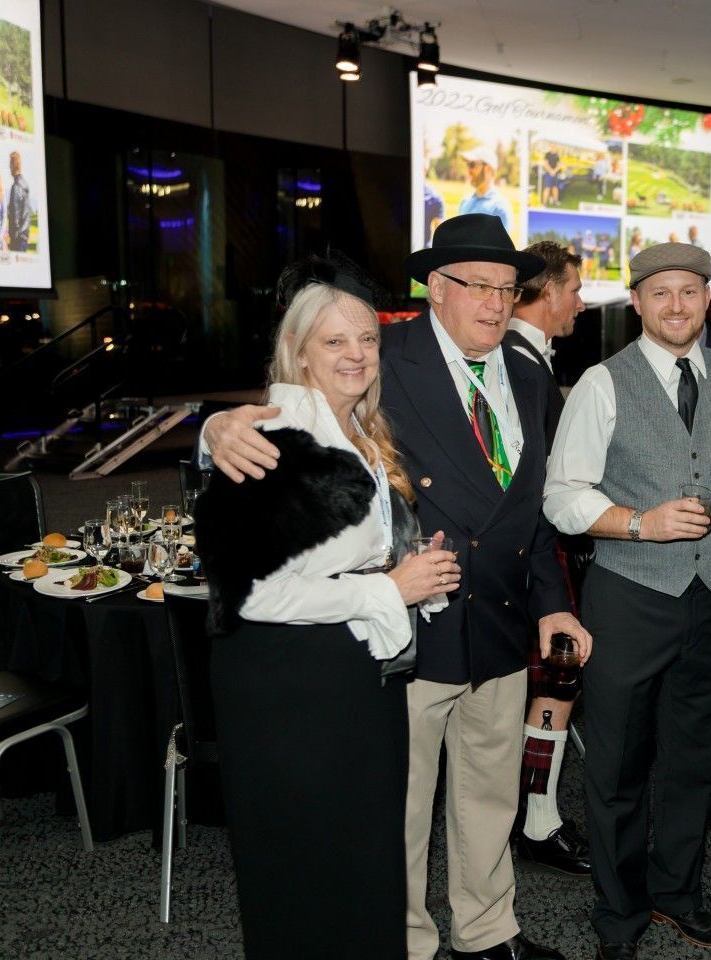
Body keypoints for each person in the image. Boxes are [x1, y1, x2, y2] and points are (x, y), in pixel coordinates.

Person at [202, 214, 588, 960]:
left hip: (500, 621)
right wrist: (214, 427)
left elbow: (532, 506)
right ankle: (406, 942)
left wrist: (553, 602)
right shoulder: (379, 358)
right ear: (435, 290)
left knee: (489, 792)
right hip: (404, 641)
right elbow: (273, 425)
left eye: (508, 289)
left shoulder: (529, 371)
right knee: (398, 809)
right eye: (477, 286)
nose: (495, 303)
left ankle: (486, 931)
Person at [196, 254, 463, 959]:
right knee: (308, 879)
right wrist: (390, 590)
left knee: (364, 866)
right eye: (334, 342)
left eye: (367, 339)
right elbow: (254, 593)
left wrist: (411, 577)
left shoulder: (361, 435)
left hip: (352, 680)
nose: (356, 354)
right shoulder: (279, 439)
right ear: (301, 354)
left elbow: (343, 558)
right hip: (290, 694)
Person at [544, 243, 711, 960]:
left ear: (706, 299)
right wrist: (639, 522)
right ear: (637, 302)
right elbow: (562, 497)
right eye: (660, 293)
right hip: (629, 597)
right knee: (619, 768)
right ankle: (620, 912)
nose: (676, 306)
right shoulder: (603, 384)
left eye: (689, 292)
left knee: (694, 762)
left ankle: (678, 894)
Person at [504, 239, 592, 877]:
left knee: (549, 686)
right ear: (546, 291)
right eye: (575, 289)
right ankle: (537, 822)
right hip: (536, 555)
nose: (582, 303)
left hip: (527, 553)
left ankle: (535, 817)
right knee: (554, 684)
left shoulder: (518, 359)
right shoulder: (523, 365)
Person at [460, 146, 513, 231]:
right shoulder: (464, 202)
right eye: (468, 165)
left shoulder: (500, 207)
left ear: (488, 169)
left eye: (472, 165)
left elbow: (501, 244)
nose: (468, 170)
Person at [6, 152, 31, 253]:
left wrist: (12, 238)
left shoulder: (16, 186)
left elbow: (15, 216)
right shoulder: (25, 183)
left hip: (17, 238)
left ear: (13, 164)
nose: (9, 167)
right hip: (24, 235)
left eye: (10, 164)